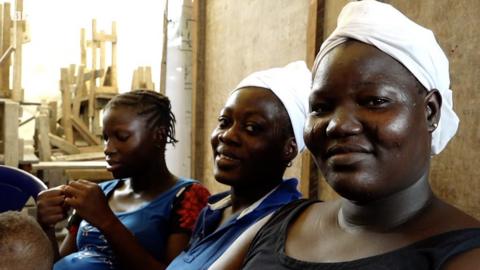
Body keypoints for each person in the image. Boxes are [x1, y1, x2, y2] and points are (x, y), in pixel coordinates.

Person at [242, 1, 480, 269]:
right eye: (320, 108)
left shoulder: (465, 256)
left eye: (374, 101)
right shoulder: (277, 225)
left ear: (430, 112)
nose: (338, 126)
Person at [37, 90, 210, 270]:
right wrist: (46, 225)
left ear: (158, 135)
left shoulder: (187, 196)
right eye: (106, 138)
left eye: (121, 137)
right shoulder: (99, 194)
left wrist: (106, 221)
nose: (108, 149)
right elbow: (59, 263)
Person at [167, 61, 311, 270]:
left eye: (252, 128)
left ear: (289, 148)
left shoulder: (283, 228)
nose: (227, 135)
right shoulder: (213, 211)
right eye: (224, 122)